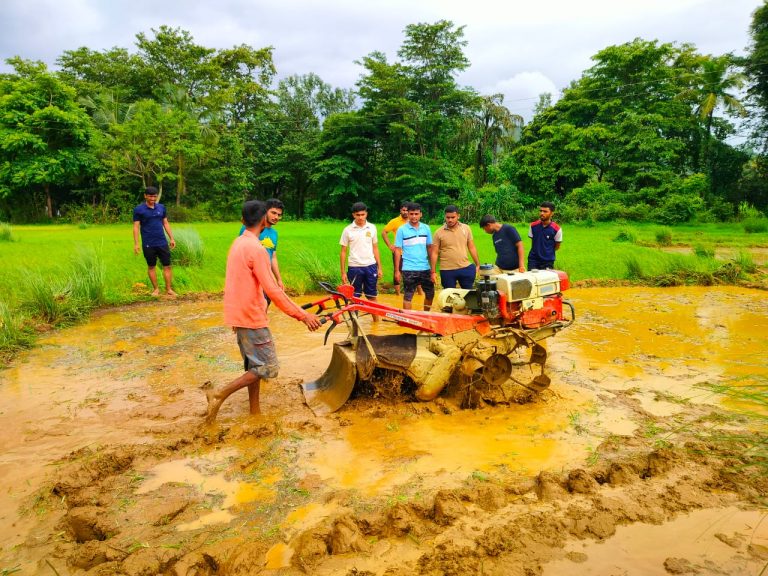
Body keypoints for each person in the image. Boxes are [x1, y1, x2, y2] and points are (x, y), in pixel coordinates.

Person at [205, 200, 321, 424]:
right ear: (263, 220)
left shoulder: (238, 243)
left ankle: (255, 412)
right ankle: (219, 394)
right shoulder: (256, 249)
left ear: (242, 220)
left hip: (239, 313)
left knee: (253, 366)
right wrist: (303, 315)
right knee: (268, 367)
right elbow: (274, 292)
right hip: (252, 315)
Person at [239, 198, 285, 306]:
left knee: (264, 307)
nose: (276, 217)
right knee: (250, 310)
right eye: (273, 213)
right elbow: (242, 250)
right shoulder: (250, 228)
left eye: (279, 215)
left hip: (266, 277)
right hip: (251, 278)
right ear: (265, 211)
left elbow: (273, 257)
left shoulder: (274, 234)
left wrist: (278, 279)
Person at [133, 186, 177, 297]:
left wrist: (171, 238)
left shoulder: (161, 207)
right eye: (150, 196)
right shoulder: (139, 210)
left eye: (154, 196)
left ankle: (168, 289)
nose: (153, 198)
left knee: (167, 266)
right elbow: (136, 227)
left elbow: (165, 223)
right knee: (151, 266)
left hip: (162, 242)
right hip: (148, 243)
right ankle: (156, 289)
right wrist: (137, 243)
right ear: (145, 196)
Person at [394, 202, 434, 311]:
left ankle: (425, 316)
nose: (414, 217)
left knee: (430, 294)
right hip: (408, 268)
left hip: (425, 267)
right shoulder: (402, 230)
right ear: (408, 214)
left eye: (416, 214)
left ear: (421, 214)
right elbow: (397, 250)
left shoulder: (426, 228)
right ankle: (408, 320)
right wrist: (397, 270)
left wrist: (433, 270)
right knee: (408, 296)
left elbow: (430, 248)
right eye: (411, 214)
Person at [339, 202, 383, 301]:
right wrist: (343, 272)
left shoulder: (372, 227)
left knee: (372, 296)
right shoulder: (347, 230)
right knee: (354, 297)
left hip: (371, 266)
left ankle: (377, 317)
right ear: (353, 215)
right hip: (355, 267)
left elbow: (375, 248)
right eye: (357, 215)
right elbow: (343, 251)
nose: (360, 217)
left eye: (362, 214)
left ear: (366, 214)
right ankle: (354, 317)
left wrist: (379, 267)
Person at [431, 205, 480, 289]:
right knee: (449, 297)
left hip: (465, 267)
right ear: (445, 217)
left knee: (469, 295)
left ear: (458, 216)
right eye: (448, 217)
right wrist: (433, 272)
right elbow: (434, 253)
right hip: (447, 270)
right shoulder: (438, 232)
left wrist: (477, 264)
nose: (450, 220)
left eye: (453, 217)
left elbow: (471, 247)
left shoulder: (466, 228)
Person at [381, 201, 410, 295]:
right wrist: (390, 245)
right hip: (398, 251)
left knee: (414, 271)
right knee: (397, 271)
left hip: (411, 252)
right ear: (400, 210)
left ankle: (418, 292)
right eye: (403, 210)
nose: (405, 212)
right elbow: (384, 232)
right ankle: (398, 294)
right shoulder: (395, 221)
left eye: (407, 210)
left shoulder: (413, 220)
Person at [527, 202, 562, 270]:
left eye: (545, 211)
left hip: (548, 261)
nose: (542, 213)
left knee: (546, 280)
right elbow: (533, 242)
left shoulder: (556, 229)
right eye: (541, 211)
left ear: (552, 213)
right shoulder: (533, 225)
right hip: (533, 260)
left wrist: (547, 252)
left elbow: (557, 246)